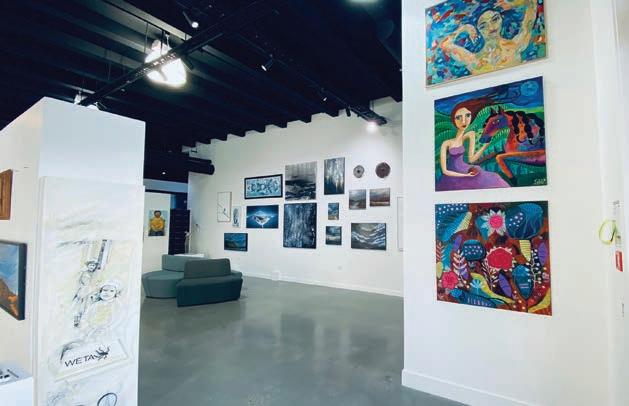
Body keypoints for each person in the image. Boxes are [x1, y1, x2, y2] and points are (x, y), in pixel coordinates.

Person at [440, 0, 538, 75]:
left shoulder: (516, 45)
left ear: (502, 18)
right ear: (477, 30)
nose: (491, 28)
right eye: (483, 26)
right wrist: (465, 28)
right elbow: (445, 45)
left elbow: (532, 3)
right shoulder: (474, 60)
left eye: (495, 19)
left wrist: (512, 4)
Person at [436, 98, 510, 191]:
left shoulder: (470, 135)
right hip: (454, 175)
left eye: (467, 115)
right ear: (453, 120)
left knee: (494, 178)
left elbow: (472, 159)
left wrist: (485, 145)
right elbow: (445, 171)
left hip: (466, 169)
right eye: (458, 117)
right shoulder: (446, 143)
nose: (464, 121)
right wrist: (465, 175)